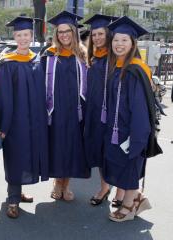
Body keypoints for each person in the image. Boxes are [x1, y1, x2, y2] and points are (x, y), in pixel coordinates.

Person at [0, 16, 48, 218]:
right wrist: (3, 124)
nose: (23, 38)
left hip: (35, 120)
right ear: (14, 36)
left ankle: (19, 191)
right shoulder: (7, 63)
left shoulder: (38, 60)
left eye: (27, 35)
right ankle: (13, 199)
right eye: (19, 35)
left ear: (32, 36)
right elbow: (3, 98)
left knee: (29, 155)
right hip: (15, 121)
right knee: (16, 157)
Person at [104, 16, 157, 222]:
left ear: (133, 43)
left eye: (124, 40)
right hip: (118, 128)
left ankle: (129, 206)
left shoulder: (135, 70)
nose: (119, 44)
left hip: (133, 131)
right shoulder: (117, 66)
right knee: (123, 167)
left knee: (130, 167)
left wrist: (138, 137)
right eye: (116, 40)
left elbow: (140, 108)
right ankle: (136, 199)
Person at [41, 11, 90, 201]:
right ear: (56, 34)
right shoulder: (49, 55)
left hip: (76, 111)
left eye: (67, 31)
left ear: (74, 32)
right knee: (57, 145)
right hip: (55, 110)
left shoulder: (83, 55)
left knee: (71, 147)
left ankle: (66, 184)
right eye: (60, 32)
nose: (64, 35)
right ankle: (57, 183)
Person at [83, 14, 125, 207]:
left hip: (114, 114)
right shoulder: (92, 58)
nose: (97, 38)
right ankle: (104, 187)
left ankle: (122, 191)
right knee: (101, 152)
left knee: (117, 151)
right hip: (95, 113)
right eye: (94, 34)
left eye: (101, 33)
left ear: (108, 34)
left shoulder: (116, 57)